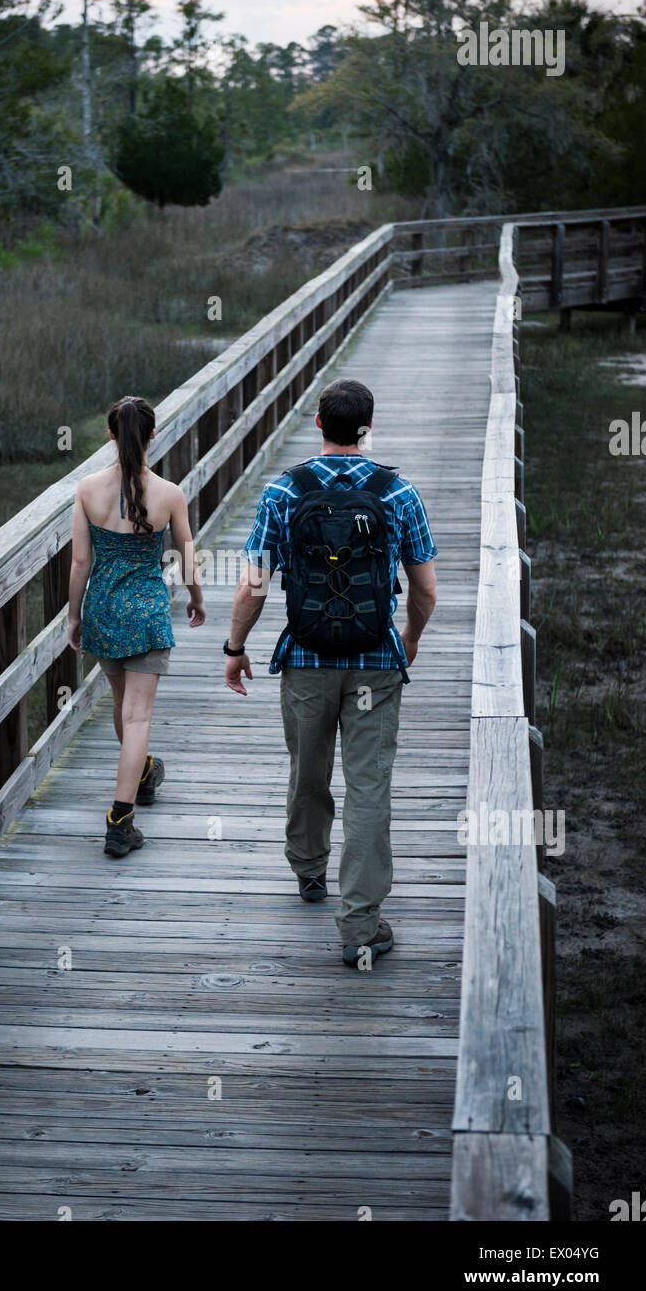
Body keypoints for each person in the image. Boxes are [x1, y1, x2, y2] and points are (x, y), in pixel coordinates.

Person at [223, 378, 438, 967]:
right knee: (368, 785)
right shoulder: (399, 493)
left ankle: (310, 870)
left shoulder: (284, 493)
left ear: (318, 423)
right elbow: (424, 588)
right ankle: (360, 926)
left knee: (307, 765)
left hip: (306, 662)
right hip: (374, 664)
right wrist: (410, 637)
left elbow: (253, 583)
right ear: (367, 427)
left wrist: (234, 647)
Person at [68, 395, 205, 857]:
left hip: (103, 609)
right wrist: (197, 598)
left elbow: (81, 560)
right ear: (151, 435)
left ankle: (143, 773)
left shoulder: (87, 488)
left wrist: (74, 616)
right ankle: (120, 820)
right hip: (146, 611)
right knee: (138, 715)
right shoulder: (168, 493)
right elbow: (186, 555)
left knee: (123, 706)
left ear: (110, 434)